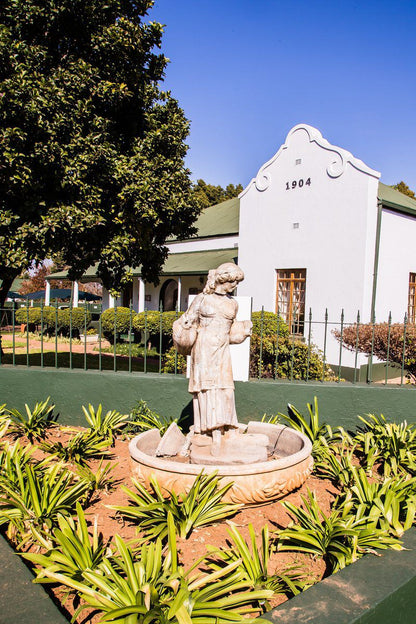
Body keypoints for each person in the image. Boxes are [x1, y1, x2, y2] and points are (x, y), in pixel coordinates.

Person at [173, 263, 252, 454]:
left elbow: (231, 331)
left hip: (223, 349)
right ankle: (206, 431)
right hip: (203, 349)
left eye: (236, 282)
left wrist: (243, 330)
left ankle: (226, 428)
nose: (235, 285)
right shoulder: (202, 299)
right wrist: (182, 327)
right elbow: (188, 321)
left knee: (225, 388)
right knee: (206, 389)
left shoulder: (233, 303)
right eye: (233, 281)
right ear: (223, 279)